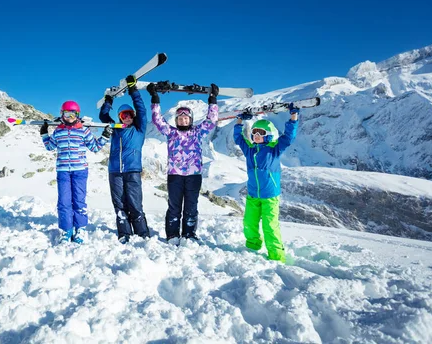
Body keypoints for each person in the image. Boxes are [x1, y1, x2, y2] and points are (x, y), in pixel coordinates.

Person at [147, 82, 219, 245]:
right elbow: (157, 120)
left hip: (194, 176)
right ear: (176, 120)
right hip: (175, 176)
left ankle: (189, 234)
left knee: (191, 207)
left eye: (186, 118)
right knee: (174, 207)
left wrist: (213, 100)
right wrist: (155, 99)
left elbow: (211, 120)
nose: (183, 120)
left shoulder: (197, 132)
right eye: (180, 118)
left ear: (191, 120)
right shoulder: (171, 132)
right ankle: (172, 235)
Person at [233, 105, 299, 262]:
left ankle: (277, 256)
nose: (256, 135)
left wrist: (293, 117)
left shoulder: (274, 149)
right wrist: (240, 120)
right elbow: (238, 138)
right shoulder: (250, 150)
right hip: (253, 194)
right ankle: (252, 247)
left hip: (270, 195)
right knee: (249, 223)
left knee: (270, 226)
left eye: (260, 132)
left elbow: (288, 137)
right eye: (254, 132)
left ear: (268, 135)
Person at [41, 100, 112, 244]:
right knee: (64, 201)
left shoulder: (83, 131)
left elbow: (95, 147)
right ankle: (66, 230)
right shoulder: (58, 131)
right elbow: (50, 147)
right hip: (63, 172)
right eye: (66, 114)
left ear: (77, 115)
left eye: (73, 114)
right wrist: (44, 134)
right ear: (62, 115)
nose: (69, 117)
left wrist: (104, 136)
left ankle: (80, 229)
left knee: (79, 200)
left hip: (80, 171)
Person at [99, 75, 150, 243]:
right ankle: (124, 234)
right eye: (123, 115)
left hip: (133, 171)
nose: (126, 117)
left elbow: (142, 109)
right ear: (120, 117)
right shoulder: (116, 129)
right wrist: (108, 100)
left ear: (133, 115)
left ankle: (142, 234)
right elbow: (103, 117)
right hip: (115, 172)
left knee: (135, 204)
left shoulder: (139, 129)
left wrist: (133, 90)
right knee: (119, 205)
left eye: (129, 114)